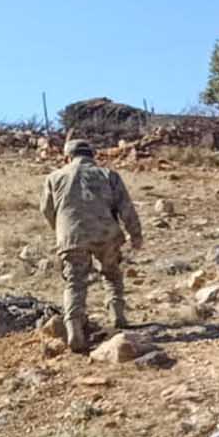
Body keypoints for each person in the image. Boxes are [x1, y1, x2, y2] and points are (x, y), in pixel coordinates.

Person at [40, 139, 143, 353]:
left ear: (67, 157)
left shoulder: (54, 177)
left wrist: (59, 230)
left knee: (74, 283)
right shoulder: (108, 175)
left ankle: (73, 328)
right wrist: (135, 235)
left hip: (71, 236)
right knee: (112, 274)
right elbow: (126, 207)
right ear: (92, 156)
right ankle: (118, 317)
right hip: (106, 234)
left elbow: (47, 210)